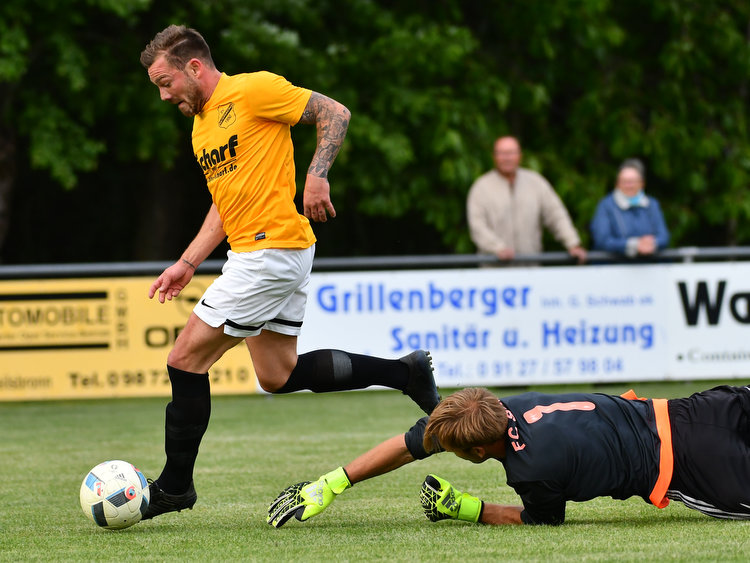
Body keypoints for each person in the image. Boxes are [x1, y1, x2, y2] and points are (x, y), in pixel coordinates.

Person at [138, 25, 440, 520]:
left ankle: (175, 487)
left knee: (184, 361)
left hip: (269, 253)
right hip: (268, 253)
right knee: (278, 375)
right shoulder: (201, 127)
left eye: (165, 81)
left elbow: (333, 112)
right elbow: (223, 202)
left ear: (194, 67)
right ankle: (404, 372)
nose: (164, 93)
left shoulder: (253, 89)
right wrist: (188, 262)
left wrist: (317, 175)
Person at [268, 384, 750, 527]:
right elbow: (408, 446)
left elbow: (542, 521)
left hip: (693, 466)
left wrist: (466, 509)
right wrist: (331, 482)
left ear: (479, 451)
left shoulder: (532, 470)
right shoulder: (501, 407)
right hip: (697, 408)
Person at [466, 136, 587, 264]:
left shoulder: (536, 183)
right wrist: (498, 248)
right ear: (494, 157)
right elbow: (477, 226)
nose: (507, 158)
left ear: (520, 155)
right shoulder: (481, 187)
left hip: (530, 268)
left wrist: (573, 243)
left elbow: (556, 215)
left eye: (511, 153)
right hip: (494, 271)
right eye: (502, 153)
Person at [590, 158, 670, 257]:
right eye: (624, 181)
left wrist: (651, 243)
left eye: (632, 181)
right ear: (617, 184)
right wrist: (634, 245)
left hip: (649, 265)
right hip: (615, 266)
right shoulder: (606, 205)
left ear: (642, 183)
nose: (629, 186)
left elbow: (664, 237)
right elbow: (602, 240)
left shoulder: (652, 204)